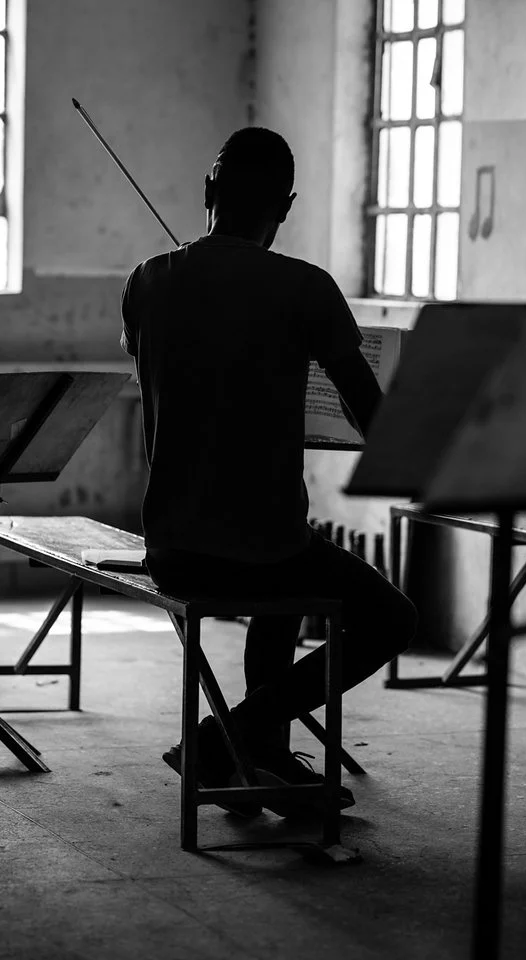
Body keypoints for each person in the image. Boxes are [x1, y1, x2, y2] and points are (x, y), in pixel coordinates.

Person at [119, 127, 418, 818]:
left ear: (208, 192)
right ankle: (230, 739)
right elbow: (371, 415)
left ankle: (264, 752)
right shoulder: (305, 288)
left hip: (171, 549)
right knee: (390, 618)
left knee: (292, 559)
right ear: (285, 207)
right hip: (261, 551)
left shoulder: (146, 282)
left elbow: (170, 376)